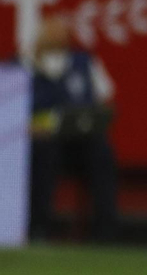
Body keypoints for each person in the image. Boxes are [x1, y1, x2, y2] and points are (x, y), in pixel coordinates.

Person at [21, 14, 118, 241]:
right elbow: (14, 115)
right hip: (41, 145)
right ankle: (39, 228)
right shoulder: (24, 65)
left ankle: (106, 232)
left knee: (102, 152)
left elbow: (104, 102)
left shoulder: (83, 63)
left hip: (79, 143)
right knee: (44, 152)